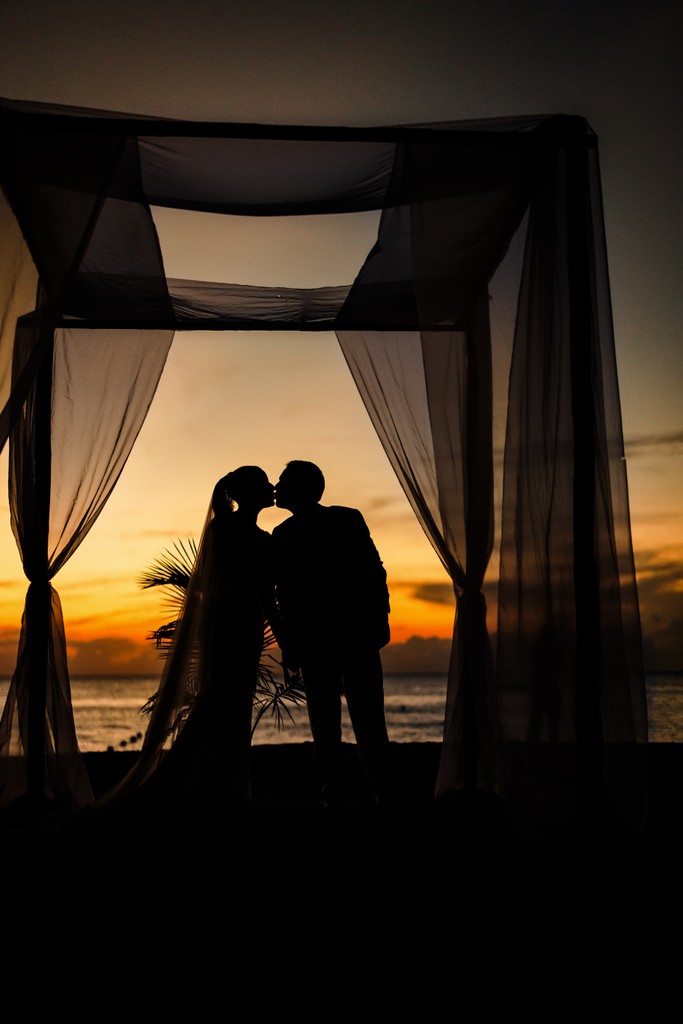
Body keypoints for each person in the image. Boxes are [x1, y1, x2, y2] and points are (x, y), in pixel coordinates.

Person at [99, 466, 278, 815]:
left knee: (234, 704)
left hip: (239, 625)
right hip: (230, 625)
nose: (272, 488)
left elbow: (262, 594)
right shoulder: (232, 532)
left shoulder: (242, 533)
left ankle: (225, 788)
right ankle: (210, 787)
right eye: (265, 483)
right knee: (221, 702)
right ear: (248, 493)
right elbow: (260, 594)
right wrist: (283, 631)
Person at [271, 460, 394, 810]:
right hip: (346, 637)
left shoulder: (289, 534)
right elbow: (374, 572)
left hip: (326, 640)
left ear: (299, 488)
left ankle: (341, 794)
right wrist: (379, 620)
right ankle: (371, 792)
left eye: (282, 482)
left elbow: (286, 595)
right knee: (363, 720)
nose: (276, 488)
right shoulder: (345, 519)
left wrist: (291, 643)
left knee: (331, 724)